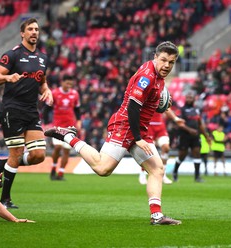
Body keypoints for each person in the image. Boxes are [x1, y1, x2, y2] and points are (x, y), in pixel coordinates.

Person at [45, 41, 182, 225]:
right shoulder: (147, 76)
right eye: (163, 60)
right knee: (103, 169)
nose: (167, 65)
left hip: (139, 127)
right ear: (155, 57)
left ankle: (156, 216)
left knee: (157, 169)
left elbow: (146, 102)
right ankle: (68, 136)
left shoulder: (157, 75)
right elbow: (133, 106)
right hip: (126, 125)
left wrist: (157, 102)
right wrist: (139, 138)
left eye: (171, 62)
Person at [0, 18, 53, 208]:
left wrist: (47, 90)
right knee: (16, 153)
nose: (34, 32)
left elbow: (42, 82)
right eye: (30, 29)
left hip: (31, 111)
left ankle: (1, 165)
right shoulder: (12, 55)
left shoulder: (43, 58)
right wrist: (8, 77)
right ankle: (5, 199)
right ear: (22, 33)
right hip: (12, 109)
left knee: (38, 155)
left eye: (37, 29)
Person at [44, 74, 81, 181]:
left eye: (71, 83)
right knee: (57, 147)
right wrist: (46, 123)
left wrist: (78, 121)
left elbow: (77, 109)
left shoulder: (74, 94)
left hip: (70, 127)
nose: (69, 85)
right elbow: (47, 109)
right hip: (57, 126)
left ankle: (60, 173)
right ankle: (53, 167)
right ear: (62, 82)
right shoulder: (55, 93)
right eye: (67, 83)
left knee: (66, 150)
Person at [172, 90, 211, 183]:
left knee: (197, 153)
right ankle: (175, 171)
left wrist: (206, 136)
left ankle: (197, 177)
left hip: (195, 136)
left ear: (194, 99)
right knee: (182, 155)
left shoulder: (196, 110)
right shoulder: (181, 110)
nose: (189, 99)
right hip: (184, 135)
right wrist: (190, 130)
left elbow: (200, 124)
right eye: (188, 97)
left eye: (191, 98)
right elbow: (180, 124)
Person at [139, 109, 185, 185]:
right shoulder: (145, 98)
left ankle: (163, 175)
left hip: (160, 126)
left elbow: (166, 108)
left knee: (166, 147)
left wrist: (176, 119)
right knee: (147, 151)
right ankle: (142, 173)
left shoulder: (160, 97)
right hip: (148, 126)